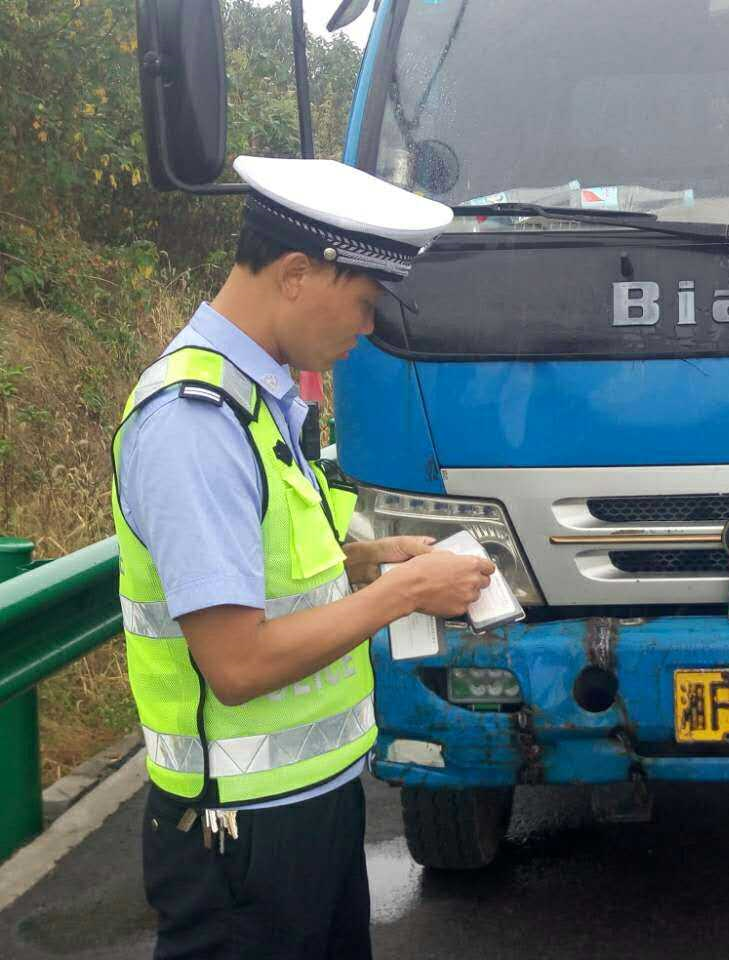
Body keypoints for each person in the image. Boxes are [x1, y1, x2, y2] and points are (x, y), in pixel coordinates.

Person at [112, 155, 495, 959]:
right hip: (242, 836)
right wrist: (405, 594)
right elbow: (238, 663)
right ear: (296, 274)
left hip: (302, 810)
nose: (365, 332)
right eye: (362, 304)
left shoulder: (258, 399)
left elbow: (263, 567)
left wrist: (368, 562)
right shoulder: (196, 424)